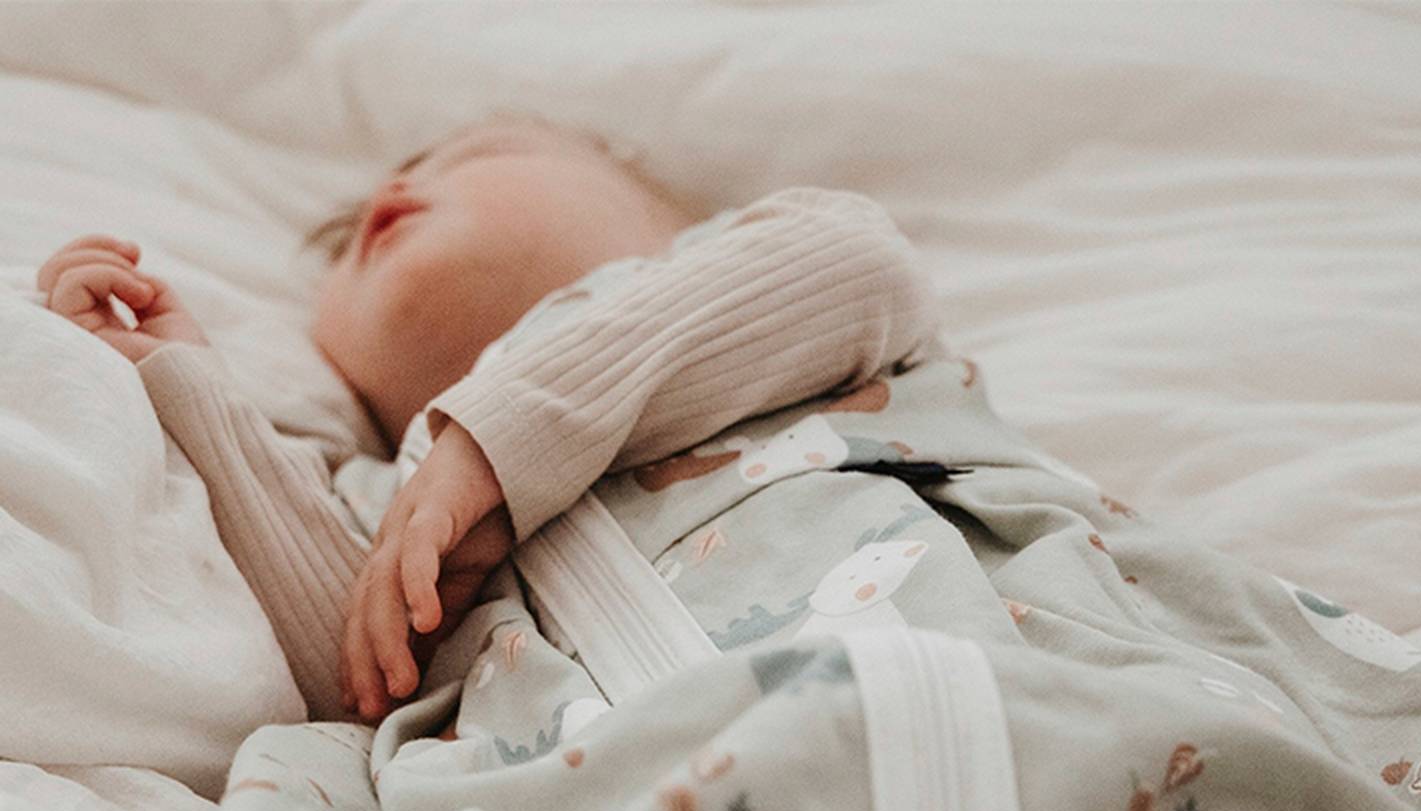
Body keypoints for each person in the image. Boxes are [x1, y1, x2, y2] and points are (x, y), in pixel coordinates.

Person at [36, 112, 937, 722]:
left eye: (473, 156)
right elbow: (355, 680)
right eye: (342, 260)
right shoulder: (386, 493)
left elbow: (862, 259)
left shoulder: (783, 327)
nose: (389, 195)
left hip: (966, 688)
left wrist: (500, 439)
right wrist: (192, 387)